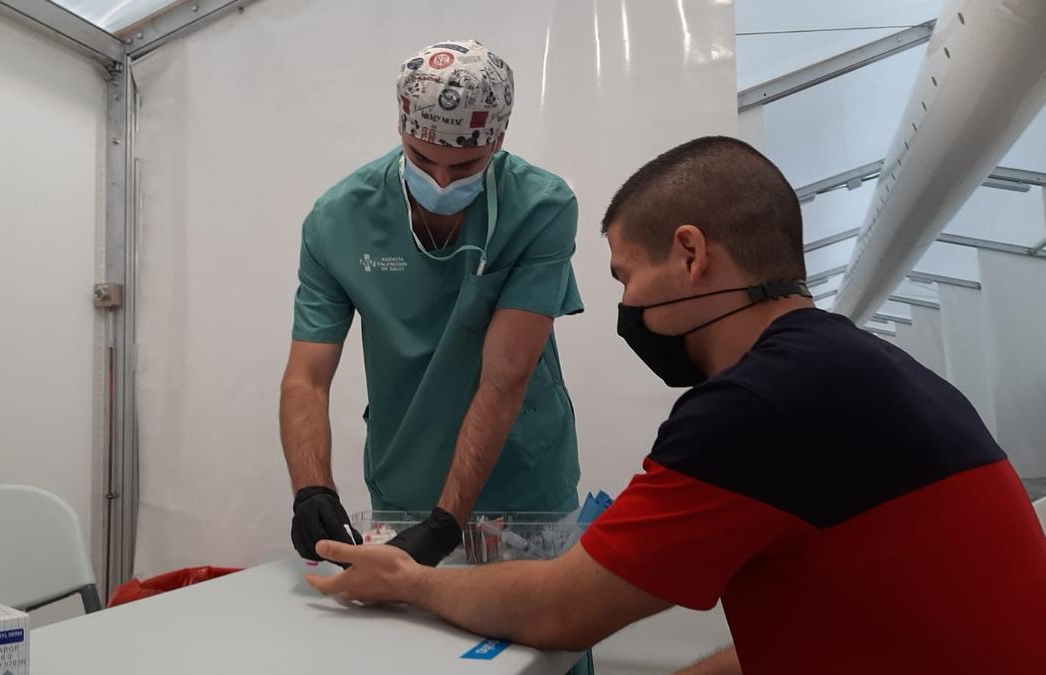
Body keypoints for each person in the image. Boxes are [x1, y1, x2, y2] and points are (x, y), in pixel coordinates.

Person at [306, 136, 1046, 675]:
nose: (623, 304)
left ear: (690, 255)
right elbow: (833, 620)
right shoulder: (869, 369)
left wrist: (414, 583)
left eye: (627, 275)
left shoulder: (757, 406)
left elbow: (569, 608)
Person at [281, 39, 583, 570]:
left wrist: (447, 523)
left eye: (465, 165)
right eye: (423, 159)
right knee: (409, 646)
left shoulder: (539, 207)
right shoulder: (338, 220)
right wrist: (312, 489)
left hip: (519, 489)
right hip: (405, 480)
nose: (441, 181)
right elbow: (306, 378)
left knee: (535, 645)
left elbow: (506, 376)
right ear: (401, 128)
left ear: (499, 140)